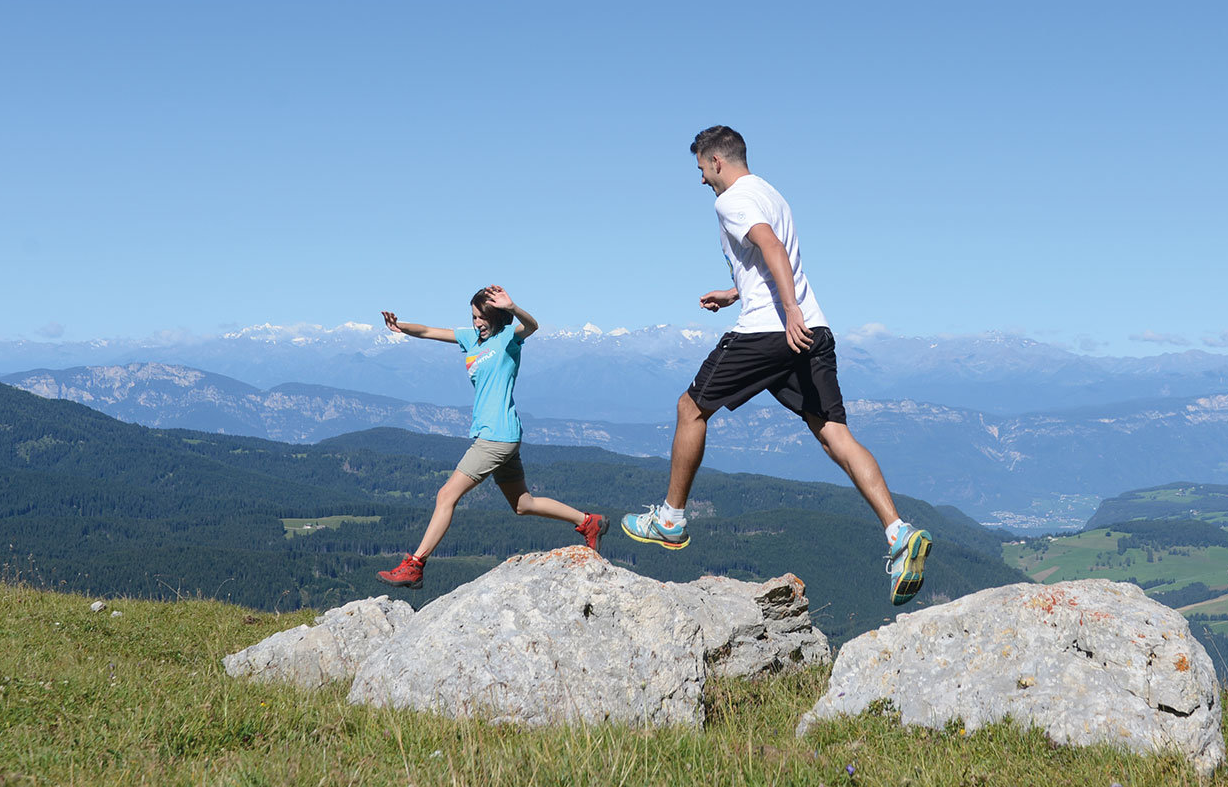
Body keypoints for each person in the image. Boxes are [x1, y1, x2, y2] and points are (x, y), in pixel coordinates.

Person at [620, 126, 934, 605]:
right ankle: (898, 533)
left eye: (702, 169)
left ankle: (670, 519)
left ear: (716, 161)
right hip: (814, 330)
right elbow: (769, 261)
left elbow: (770, 247)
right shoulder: (773, 193)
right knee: (836, 436)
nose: (701, 180)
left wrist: (787, 311)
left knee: (690, 407)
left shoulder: (731, 201)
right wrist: (734, 293)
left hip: (772, 330)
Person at [375, 285, 607, 589]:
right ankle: (589, 521)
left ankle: (415, 566)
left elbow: (532, 326)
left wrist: (513, 307)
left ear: (497, 316)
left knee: (446, 496)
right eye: (473, 317)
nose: (476, 323)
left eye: (481, 317)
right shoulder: (472, 338)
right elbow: (429, 330)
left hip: (496, 437)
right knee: (523, 503)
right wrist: (400, 326)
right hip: (500, 434)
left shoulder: (508, 340)